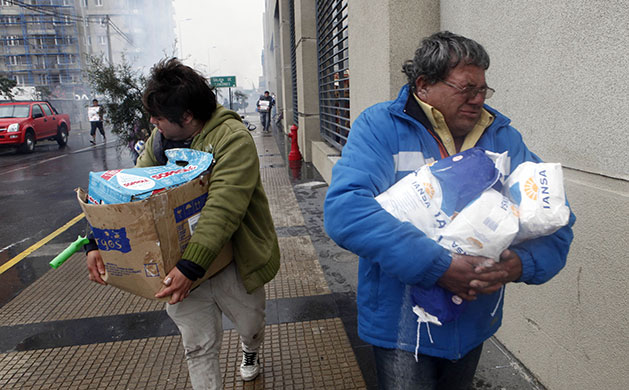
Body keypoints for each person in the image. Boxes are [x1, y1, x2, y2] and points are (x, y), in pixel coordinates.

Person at [323, 31, 575, 390]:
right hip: (402, 328)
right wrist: (439, 266)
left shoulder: (503, 138)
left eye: (483, 90)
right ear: (424, 85)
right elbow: (346, 211)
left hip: (473, 324)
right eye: (466, 89)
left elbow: (555, 219)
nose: (477, 101)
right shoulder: (381, 127)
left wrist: (518, 265)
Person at [85, 58, 280, 389]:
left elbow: (225, 207)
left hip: (232, 259)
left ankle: (250, 350)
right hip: (178, 266)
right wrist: (96, 242)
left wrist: (192, 267)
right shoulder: (159, 142)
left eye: (158, 117)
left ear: (186, 117)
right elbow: (126, 188)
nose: (152, 122)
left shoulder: (231, 138)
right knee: (198, 347)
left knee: (251, 325)